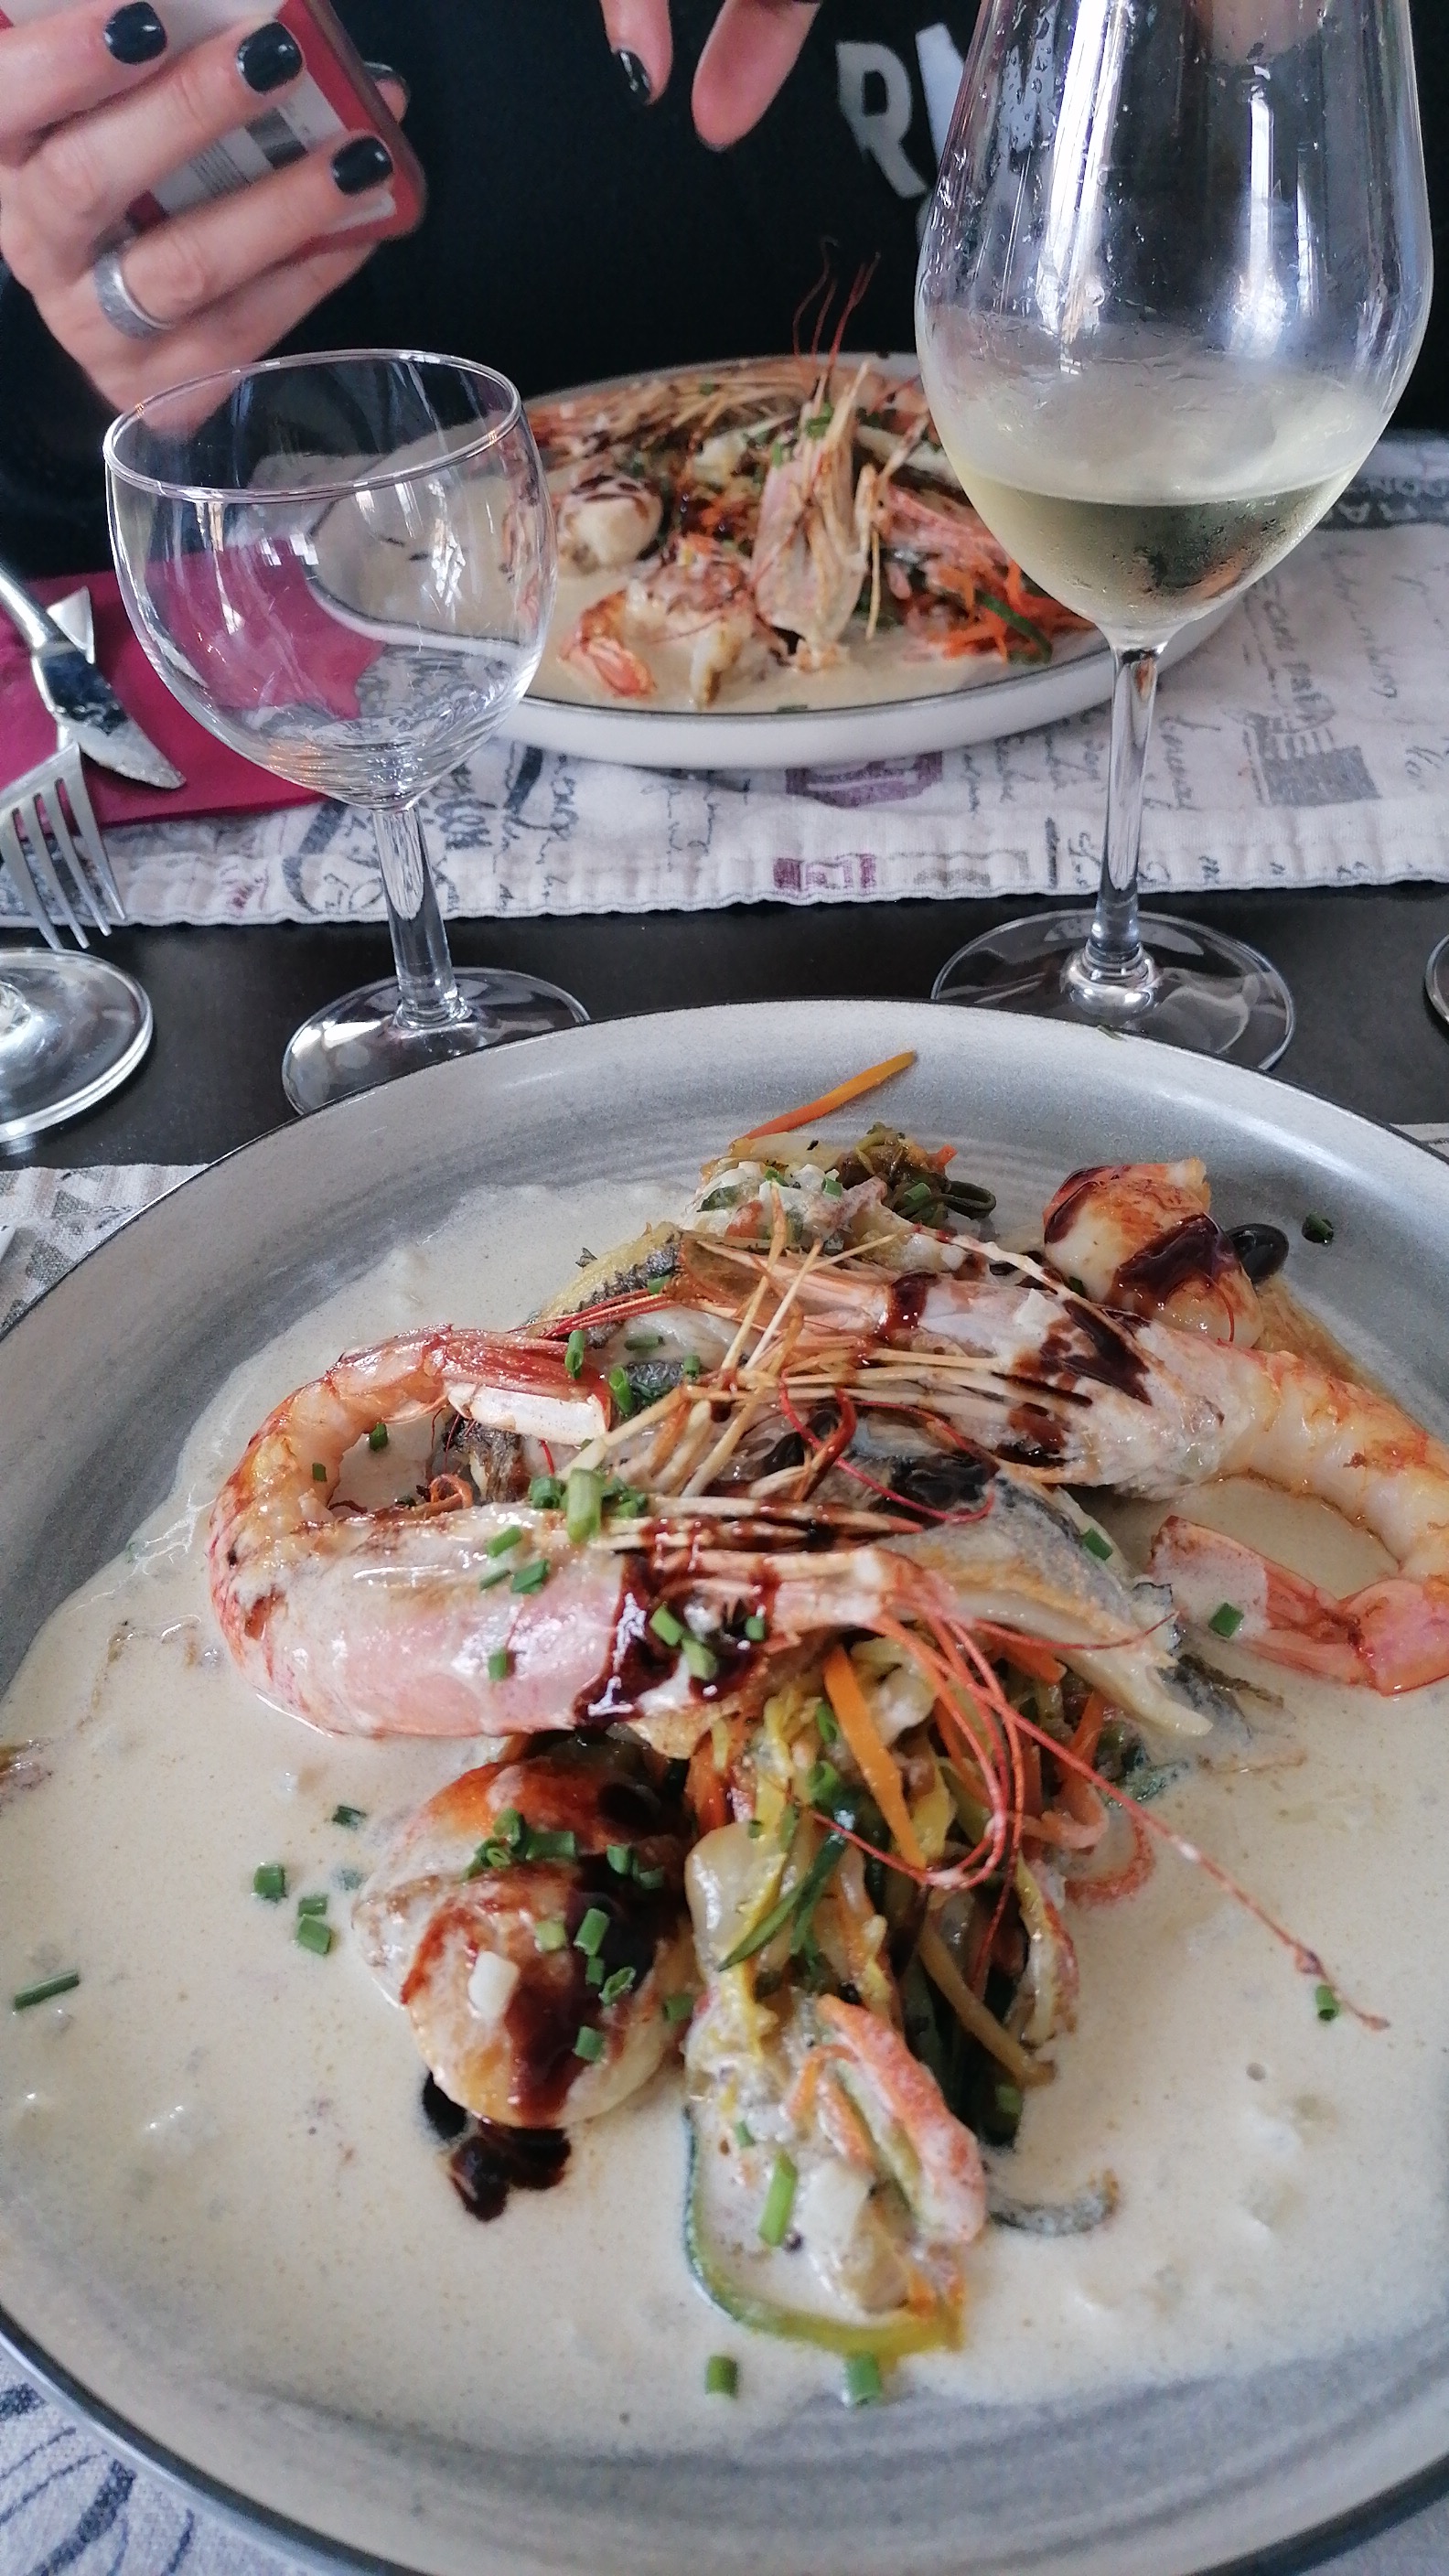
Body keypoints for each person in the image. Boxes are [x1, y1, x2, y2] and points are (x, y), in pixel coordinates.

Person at [0, 0, 1443, 575]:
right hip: (451, 851)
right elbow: (56, 524)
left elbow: (1382, 341)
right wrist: (82, 372)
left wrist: (1270, 45)